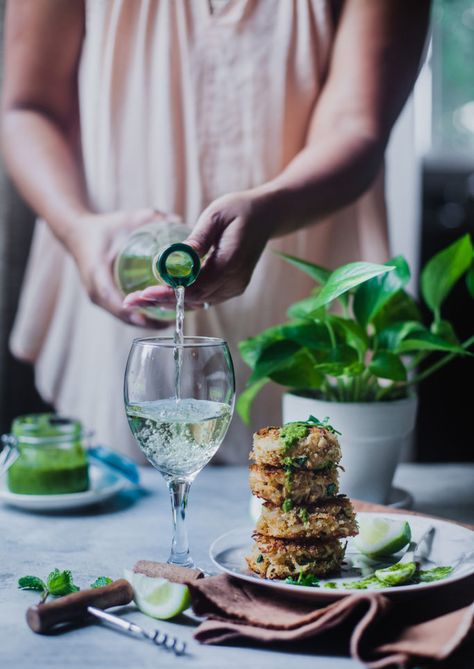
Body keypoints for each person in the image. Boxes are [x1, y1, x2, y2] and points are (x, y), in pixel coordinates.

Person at [2, 0, 430, 463]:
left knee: (303, 507)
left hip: (298, 289)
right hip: (116, 283)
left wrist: (273, 207)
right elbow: (28, 106)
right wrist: (76, 227)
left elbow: (357, 124)